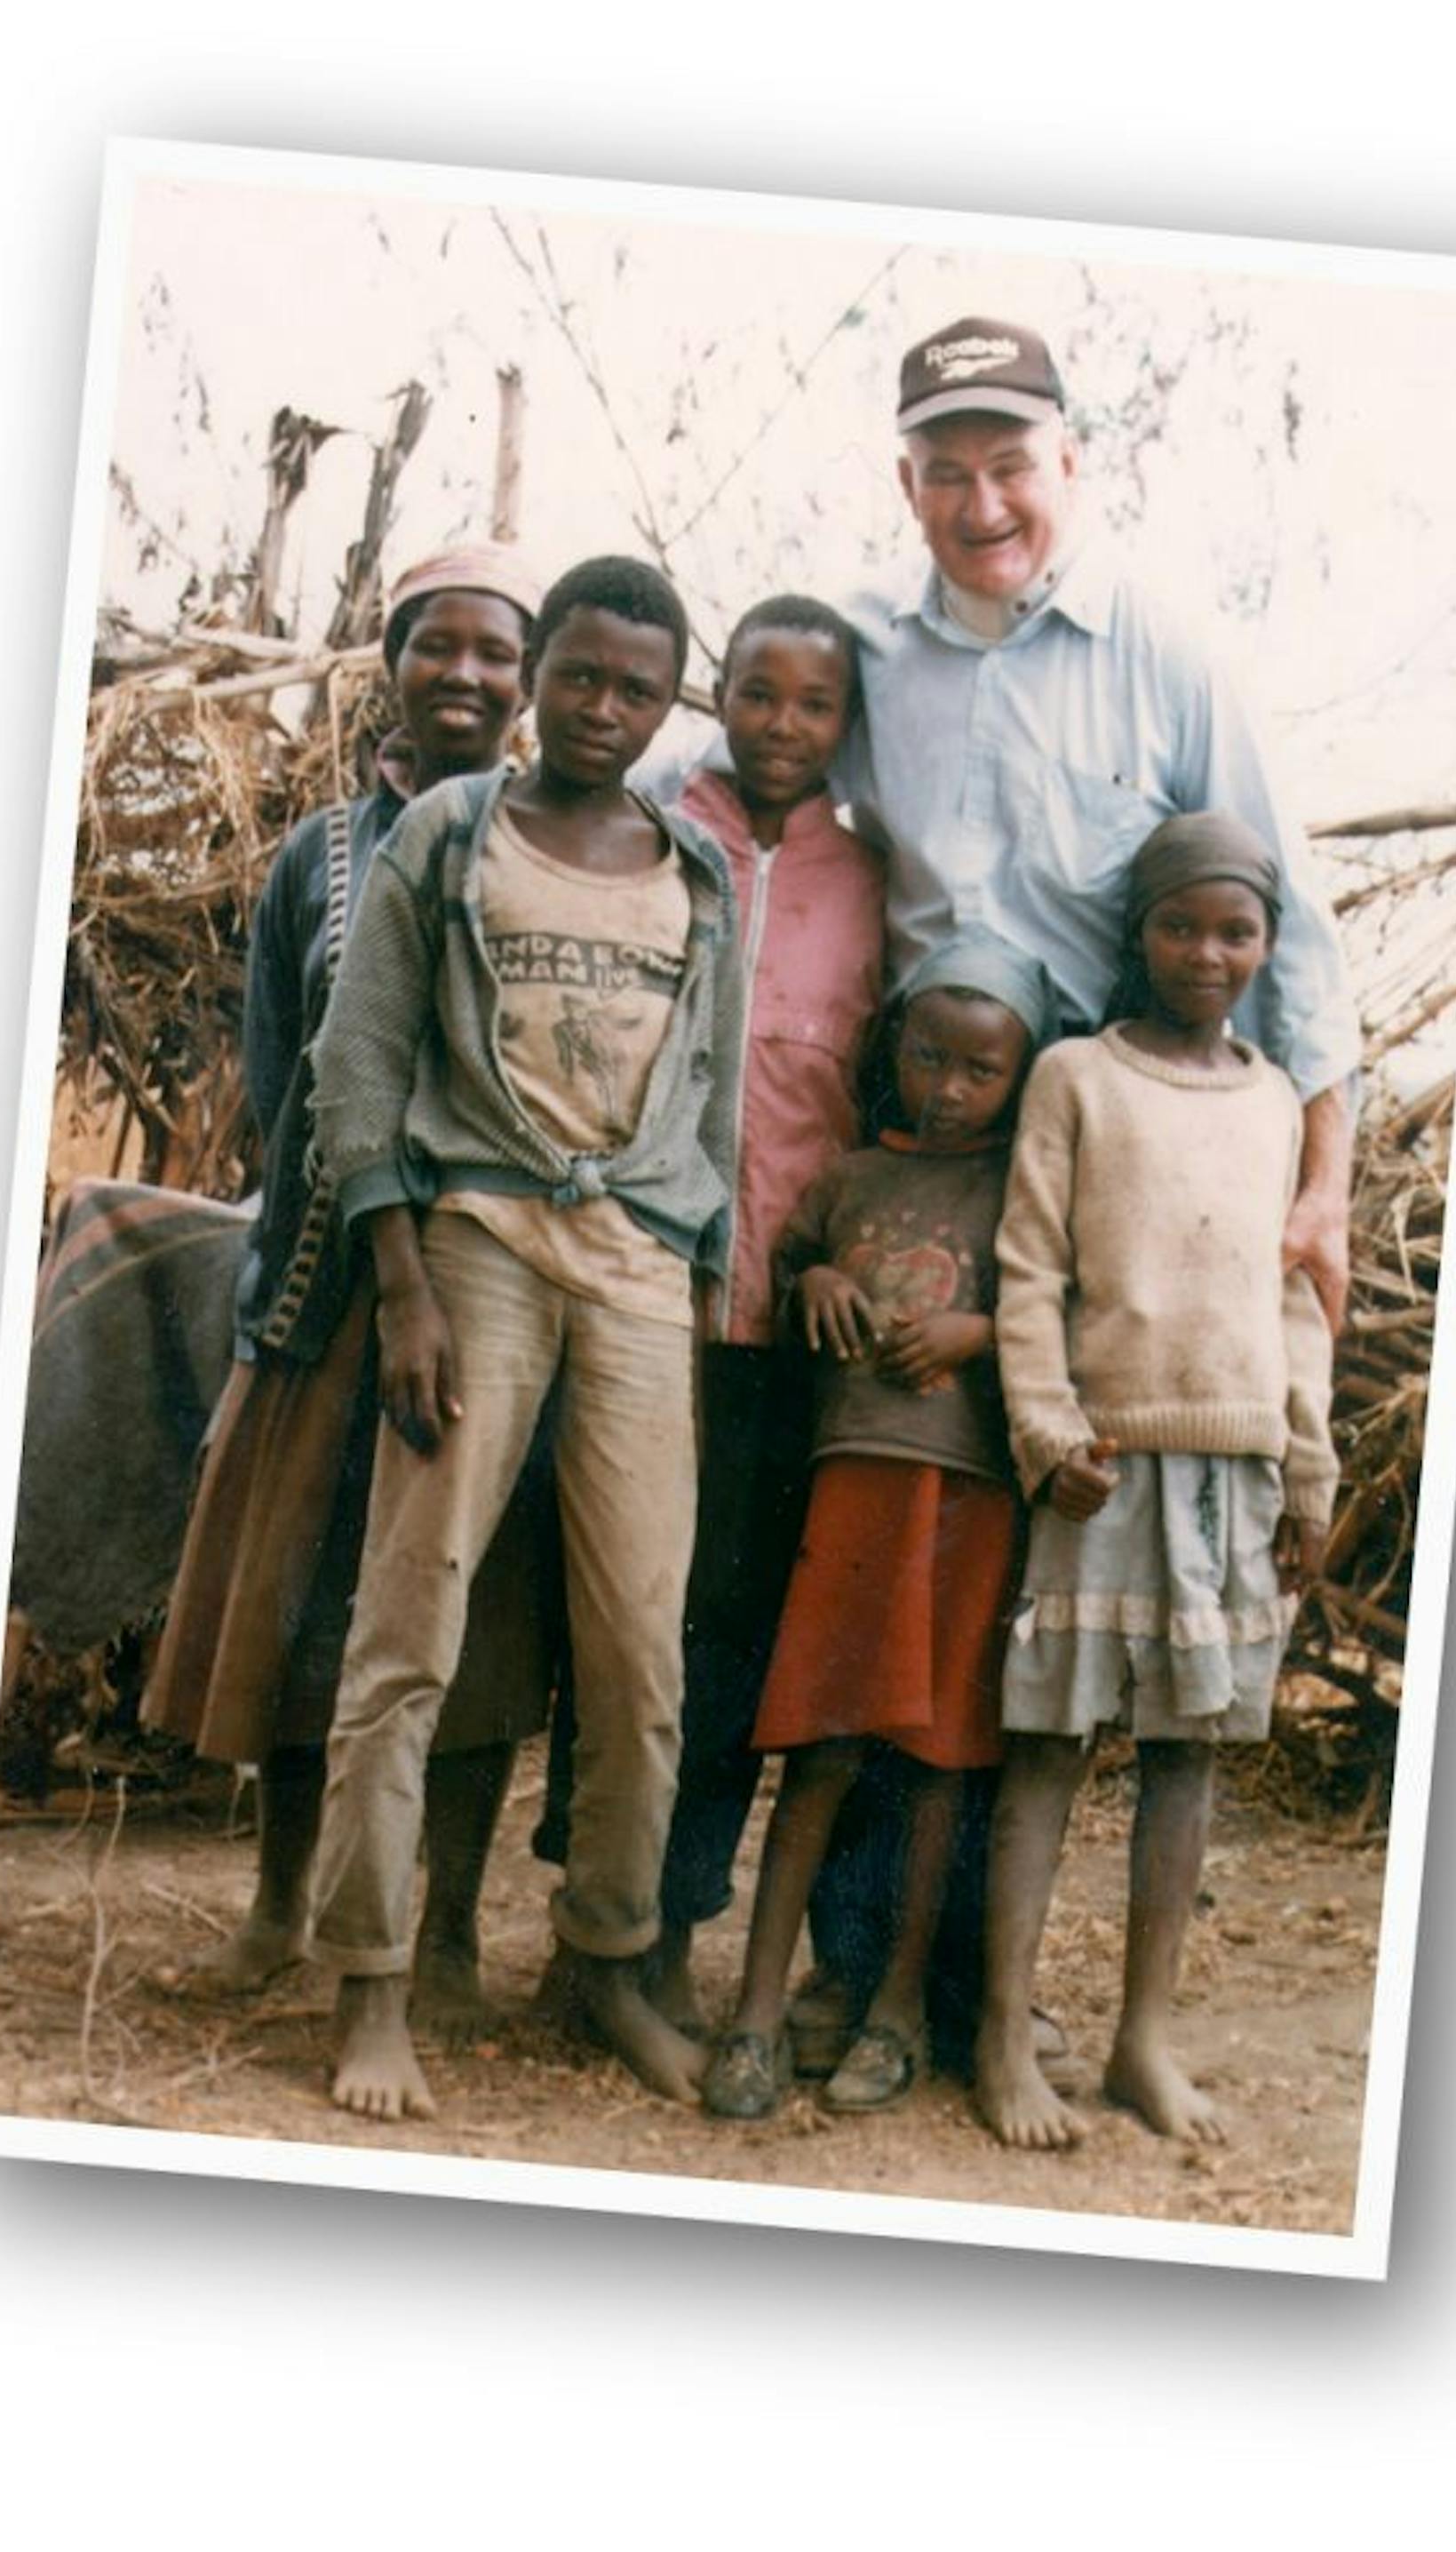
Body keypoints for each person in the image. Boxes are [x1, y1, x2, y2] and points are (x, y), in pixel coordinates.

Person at [304, 554, 741, 2117]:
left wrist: (696, 1283)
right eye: (581, 675)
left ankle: (608, 1957)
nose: (605, 710)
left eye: (639, 688)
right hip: (477, 1239)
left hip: (633, 1264)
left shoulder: (697, 874)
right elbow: (355, 1069)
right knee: (408, 1618)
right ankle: (367, 1980)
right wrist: (403, 1278)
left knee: (638, 1636)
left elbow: (714, 1108)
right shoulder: (450, 830)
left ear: (667, 701)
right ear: (540, 669)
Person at [140, 546, 560, 2024]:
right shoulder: (317, 858)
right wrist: (342, 1245)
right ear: (393, 662)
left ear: (534, 674)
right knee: (306, 1606)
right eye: (437, 647)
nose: (467, 676)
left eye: (497, 653)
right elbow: (276, 1072)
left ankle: (442, 1932)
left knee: (478, 1616)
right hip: (331, 1285)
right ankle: (279, 1905)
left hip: (503, 1294)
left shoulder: (564, 851)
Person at [836, 312, 1361, 1333]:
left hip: (1115, 1137)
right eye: (945, 472)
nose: (981, 505)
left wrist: (1324, 1187)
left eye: (1011, 466)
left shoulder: (1164, 650)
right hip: (916, 1134)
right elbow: (721, 777)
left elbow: (1286, 914)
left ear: (1069, 462)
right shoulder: (862, 640)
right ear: (907, 488)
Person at [979, 814, 1340, 2151]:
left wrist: (1307, 1469)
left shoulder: (1274, 1097)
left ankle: (1144, 2035)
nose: (1208, 951)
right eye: (1181, 925)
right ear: (1139, 933)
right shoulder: (1079, 1076)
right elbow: (1029, 1268)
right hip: (1103, 1462)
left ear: (1266, 942)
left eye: (1235, 929)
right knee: (1049, 1746)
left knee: (1188, 1757)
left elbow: (1295, 1297)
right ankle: (1003, 2034)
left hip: (1234, 1467)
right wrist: (1047, 1429)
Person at [702, 931, 1053, 2121]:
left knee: (942, 1758)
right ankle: (754, 2011)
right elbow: (796, 1261)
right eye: (929, 1057)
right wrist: (816, 1285)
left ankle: (898, 2009)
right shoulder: (847, 1177)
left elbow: (1072, 1306)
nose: (949, 1089)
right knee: (821, 1747)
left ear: (1021, 1076)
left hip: (970, 1501)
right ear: (891, 1046)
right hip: (854, 1494)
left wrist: (982, 1334)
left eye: (981, 1071)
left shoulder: (1025, 1191)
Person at [643, 595, 885, 2033]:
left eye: (815, 703)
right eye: (759, 691)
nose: (783, 724)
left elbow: (903, 1083)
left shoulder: (877, 876)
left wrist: (840, 1254)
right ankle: (593, 1929)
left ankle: (677, 1926)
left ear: (847, 723)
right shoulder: (659, 826)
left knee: (736, 1631)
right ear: (715, 690)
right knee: (627, 1628)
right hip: (643, 1302)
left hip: (791, 1330)